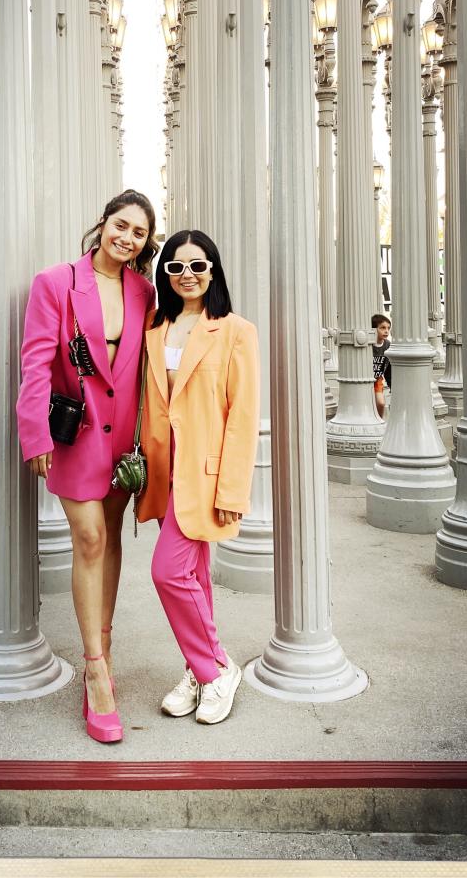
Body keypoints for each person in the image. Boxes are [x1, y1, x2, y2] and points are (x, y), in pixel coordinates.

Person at [16, 191, 158, 744]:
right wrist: (34, 436)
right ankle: (95, 668)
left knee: (113, 540)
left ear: (146, 244)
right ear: (102, 223)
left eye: (139, 233)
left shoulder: (144, 292)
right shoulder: (55, 283)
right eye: (120, 225)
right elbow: (34, 362)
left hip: (122, 438)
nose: (126, 237)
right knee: (90, 537)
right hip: (73, 435)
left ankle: (106, 642)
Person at [137, 230, 259, 726]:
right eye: (175, 267)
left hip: (205, 477)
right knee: (194, 576)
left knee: (167, 572)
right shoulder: (154, 326)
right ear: (165, 274)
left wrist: (231, 488)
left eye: (197, 265)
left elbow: (242, 415)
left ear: (213, 269)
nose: (187, 274)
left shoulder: (235, 330)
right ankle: (199, 666)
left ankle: (214, 670)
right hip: (164, 472)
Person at [371, 312, 392, 419]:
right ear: (374, 329)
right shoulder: (368, 344)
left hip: (377, 379)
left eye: (388, 328)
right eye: (382, 328)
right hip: (365, 378)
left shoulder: (387, 345)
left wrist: (392, 385)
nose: (386, 331)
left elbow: (388, 367)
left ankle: (379, 422)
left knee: (381, 403)